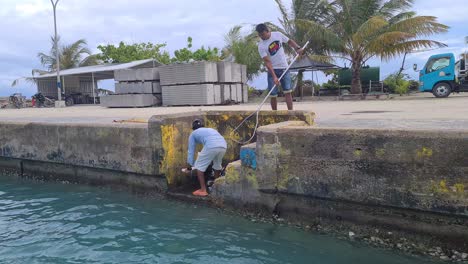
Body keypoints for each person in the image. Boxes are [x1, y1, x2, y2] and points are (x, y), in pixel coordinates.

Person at [256, 23, 304, 110]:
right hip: (272, 70)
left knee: (287, 91)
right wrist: (274, 77)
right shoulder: (261, 46)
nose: (261, 37)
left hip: (284, 68)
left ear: (267, 31)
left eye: (263, 34)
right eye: (259, 35)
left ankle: (290, 113)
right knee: (273, 94)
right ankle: (274, 114)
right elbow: (267, 62)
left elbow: (289, 41)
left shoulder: (278, 35)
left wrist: (297, 48)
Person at [185, 119, 227, 197]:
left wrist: (190, 166)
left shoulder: (193, 134)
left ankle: (203, 190)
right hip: (223, 145)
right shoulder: (210, 129)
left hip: (211, 146)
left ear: (193, 128)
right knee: (217, 165)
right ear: (202, 126)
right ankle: (216, 186)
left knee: (199, 167)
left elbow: (191, 150)